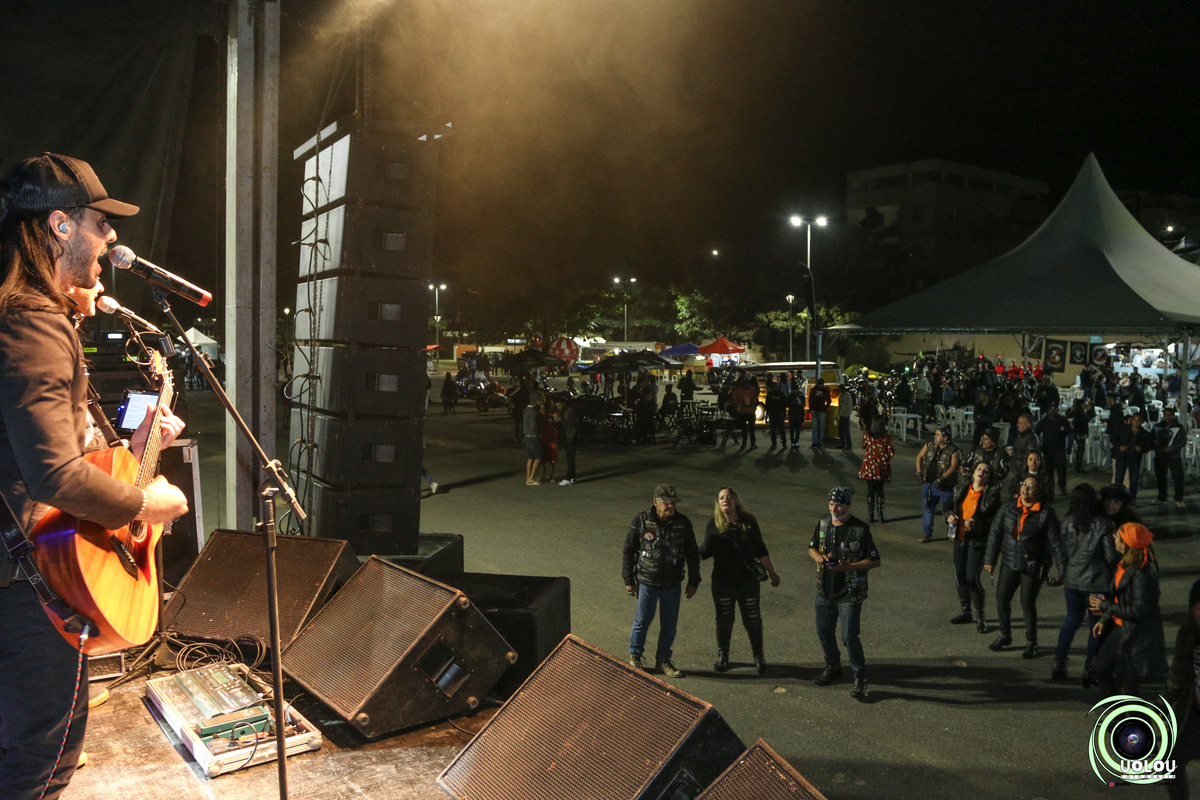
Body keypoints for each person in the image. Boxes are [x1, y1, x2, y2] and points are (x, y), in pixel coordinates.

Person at [0, 153, 189, 800]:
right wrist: (146, 503)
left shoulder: (21, 315)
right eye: (99, 223)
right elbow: (54, 474)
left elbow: (40, 445)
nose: (110, 238)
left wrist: (134, 447)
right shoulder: (32, 321)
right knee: (40, 761)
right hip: (25, 587)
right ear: (60, 225)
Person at [807, 487, 881, 699]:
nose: (834, 509)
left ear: (848, 505)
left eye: (839, 505)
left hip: (849, 592)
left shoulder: (860, 529)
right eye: (831, 504)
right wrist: (817, 556)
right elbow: (812, 547)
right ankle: (833, 667)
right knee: (824, 632)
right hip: (825, 591)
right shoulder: (823, 523)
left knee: (849, 636)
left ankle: (859, 676)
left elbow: (875, 561)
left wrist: (847, 567)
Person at [622, 484, 700, 678]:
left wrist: (694, 580)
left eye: (673, 503)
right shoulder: (641, 520)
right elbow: (629, 550)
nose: (671, 507)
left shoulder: (683, 523)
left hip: (672, 584)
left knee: (669, 625)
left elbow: (692, 553)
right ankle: (635, 656)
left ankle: (663, 659)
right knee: (642, 621)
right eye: (666, 503)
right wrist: (628, 579)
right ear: (655, 502)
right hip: (647, 582)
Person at [700, 488, 780, 675]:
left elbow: (760, 548)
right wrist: (689, 557)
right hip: (722, 582)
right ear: (718, 503)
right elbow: (706, 550)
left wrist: (772, 572)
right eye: (722, 497)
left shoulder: (749, 521)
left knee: (753, 619)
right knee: (724, 620)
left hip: (747, 581)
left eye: (729, 497)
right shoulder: (713, 524)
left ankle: (759, 656)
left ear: (736, 501)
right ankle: (723, 656)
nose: (726, 500)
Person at [984, 476, 1065, 658]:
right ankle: (1005, 634)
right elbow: (995, 533)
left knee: (1027, 603)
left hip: (1032, 566)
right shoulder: (1008, 507)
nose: (1026, 489)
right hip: (1009, 562)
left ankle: (1032, 642)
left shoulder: (1046, 514)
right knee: (1001, 598)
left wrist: (1062, 572)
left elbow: (1056, 544)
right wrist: (990, 559)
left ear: (1039, 492)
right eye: (1024, 485)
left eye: (1031, 487)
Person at [1089, 522, 1167, 696]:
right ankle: (1118, 709)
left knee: (1127, 683)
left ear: (1125, 544)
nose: (1114, 539)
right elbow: (1120, 597)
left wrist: (1104, 606)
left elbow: (1137, 610)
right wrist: (1104, 618)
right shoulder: (1125, 563)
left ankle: (1128, 711)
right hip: (1122, 625)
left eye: (1117, 537)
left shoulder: (1142, 572)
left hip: (1135, 632)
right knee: (1101, 669)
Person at [1051, 484, 1117, 684]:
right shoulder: (1104, 524)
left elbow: (1061, 550)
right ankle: (1090, 668)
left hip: (1072, 581)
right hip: (1097, 582)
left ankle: (1059, 663)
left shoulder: (1067, 522)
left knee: (1071, 621)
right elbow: (1111, 556)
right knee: (1096, 626)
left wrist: (1063, 572)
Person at [943, 461, 1002, 633]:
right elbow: (948, 504)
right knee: (960, 575)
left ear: (989, 477)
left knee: (971, 578)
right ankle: (966, 611)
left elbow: (995, 522)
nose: (982, 472)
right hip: (960, 538)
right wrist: (949, 515)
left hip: (978, 541)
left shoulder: (991, 495)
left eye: (986, 470)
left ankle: (980, 617)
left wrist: (977, 523)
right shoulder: (961, 489)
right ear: (974, 472)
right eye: (979, 469)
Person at [1164, 578, 1200, 800]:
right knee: (1169, 762)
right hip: (1193, 713)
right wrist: (1164, 703)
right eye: (1199, 609)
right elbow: (1177, 673)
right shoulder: (1188, 633)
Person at [915, 426, 960, 543]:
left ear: (945, 438)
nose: (935, 436)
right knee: (927, 508)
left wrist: (942, 478)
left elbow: (954, 466)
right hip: (929, 484)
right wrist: (919, 471)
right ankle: (927, 533)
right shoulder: (929, 445)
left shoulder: (954, 450)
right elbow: (919, 457)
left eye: (938, 435)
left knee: (951, 511)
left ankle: (952, 534)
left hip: (946, 486)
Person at [858, 415, 894, 523]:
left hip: (869, 465)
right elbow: (891, 453)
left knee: (870, 490)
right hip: (881, 467)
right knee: (880, 490)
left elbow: (863, 445)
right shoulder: (887, 437)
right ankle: (880, 515)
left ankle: (870, 515)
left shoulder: (867, 435)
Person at [1112, 411, 1153, 504]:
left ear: (1142, 422)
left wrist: (1141, 449)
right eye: (1134, 420)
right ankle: (1118, 499)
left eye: (1138, 420)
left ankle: (1132, 500)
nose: (1136, 422)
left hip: (1135, 459)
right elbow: (1113, 439)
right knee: (1118, 479)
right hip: (1122, 457)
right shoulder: (1123, 429)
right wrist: (1119, 447)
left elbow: (1149, 445)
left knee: (1134, 481)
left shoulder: (1144, 434)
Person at [1034, 404, 1071, 499]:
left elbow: (1070, 434)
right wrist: (1038, 445)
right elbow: (1036, 433)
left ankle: (1062, 487)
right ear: (1048, 410)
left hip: (1060, 450)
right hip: (1047, 451)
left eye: (1054, 409)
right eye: (1050, 409)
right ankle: (1050, 490)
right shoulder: (1044, 421)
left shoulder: (1063, 421)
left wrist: (1070, 446)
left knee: (1061, 471)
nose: (1052, 411)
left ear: (1057, 410)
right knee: (1048, 472)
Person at [1152, 406, 1186, 505]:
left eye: (1169, 415)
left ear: (1173, 416)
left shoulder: (1179, 427)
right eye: (1165, 415)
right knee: (1160, 477)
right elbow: (1151, 438)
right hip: (1160, 455)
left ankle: (1179, 498)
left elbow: (1182, 440)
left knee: (1178, 477)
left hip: (1174, 456)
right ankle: (1162, 497)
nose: (1167, 417)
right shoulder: (1157, 426)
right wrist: (1156, 447)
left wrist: (1173, 448)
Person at [556, 395, 580, 486]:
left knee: (570, 458)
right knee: (570, 458)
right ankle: (572, 477)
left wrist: (561, 420)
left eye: (559, 405)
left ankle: (568, 478)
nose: (558, 407)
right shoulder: (562, 411)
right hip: (566, 436)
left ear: (563, 403)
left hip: (570, 436)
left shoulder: (570, 411)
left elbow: (572, 424)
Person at [522, 391, 544, 485]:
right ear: (537, 401)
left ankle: (528, 478)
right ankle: (531, 478)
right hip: (533, 436)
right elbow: (533, 426)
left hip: (526, 436)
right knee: (538, 457)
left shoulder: (526, 409)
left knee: (530, 457)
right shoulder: (533, 412)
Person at [764, 380, 787, 449]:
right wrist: (768, 413)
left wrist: (783, 413)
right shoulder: (770, 394)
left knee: (781, 430)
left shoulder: (781, 394)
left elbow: (784, 404)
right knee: (773, 431)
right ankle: (774, 444)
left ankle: (783, 443)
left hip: (779, 414)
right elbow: (767, 404)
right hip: (773, 414)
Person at [809, 378, 831, 448]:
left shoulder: (815, 390)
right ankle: (816, 442)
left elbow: (828, 400)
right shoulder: (823, 390)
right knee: (816, 427)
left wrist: (826, 407)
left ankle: (818, 442)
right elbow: (810, 399)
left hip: (819, 410)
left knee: (819, 427)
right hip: (818, 410)